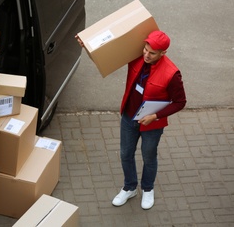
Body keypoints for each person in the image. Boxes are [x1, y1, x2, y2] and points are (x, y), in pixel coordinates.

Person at [76, 30, 186, 210]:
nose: (146, 55)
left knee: (148, 156)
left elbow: (180, 102)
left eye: (152, 53)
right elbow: (106, 61)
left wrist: (155, 116)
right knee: (125, 154)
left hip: (152, 123)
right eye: (145, 49)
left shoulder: (172, 74)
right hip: (129, 116)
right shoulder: (136, 57)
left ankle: (148, 189)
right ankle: (130, 187)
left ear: (163, 53)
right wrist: (87, 48)